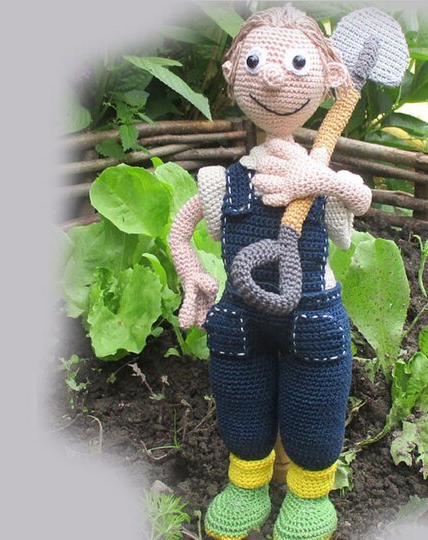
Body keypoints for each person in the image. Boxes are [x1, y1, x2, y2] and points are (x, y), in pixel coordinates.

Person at [168, 5, 371, 539]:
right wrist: (192, 275)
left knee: (315, 406)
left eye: (297, 63)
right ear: (234, 74)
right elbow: (180, 231)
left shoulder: (320, 175)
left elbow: (360, 202)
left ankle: (309, 492)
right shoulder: (222, 182)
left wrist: (321, 180)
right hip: (241, 315)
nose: (275, 79)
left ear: (327, 80)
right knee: (240, 401)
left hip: (312, 317)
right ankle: (248, 484)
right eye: (256, 62)